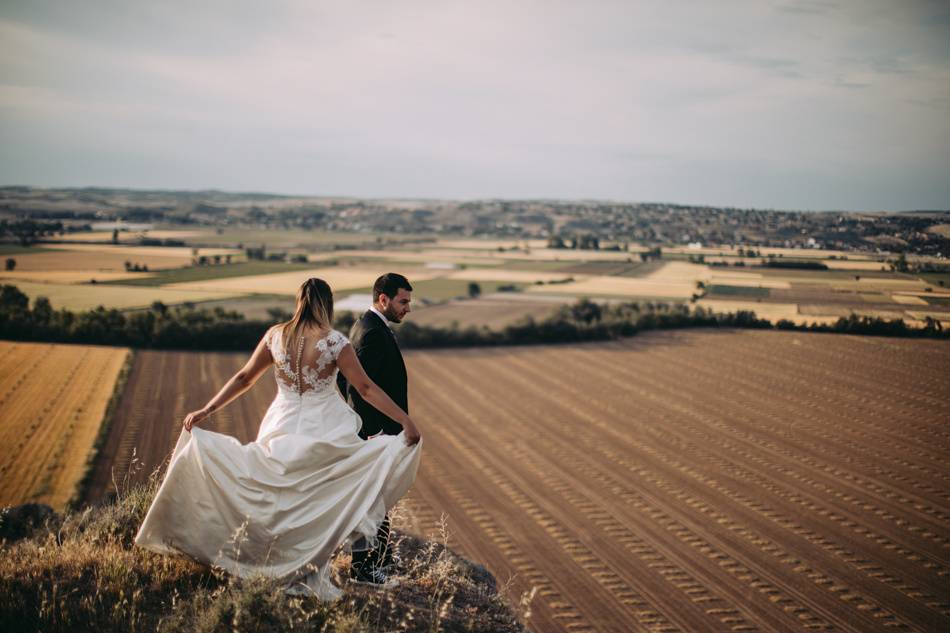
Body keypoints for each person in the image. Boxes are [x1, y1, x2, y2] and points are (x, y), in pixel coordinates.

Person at [134, 277, 423, 601]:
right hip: (324, 426)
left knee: (275, 491)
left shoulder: (276, 336)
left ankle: (268, 556)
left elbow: (244, 377)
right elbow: (365, 388)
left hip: (282, 422)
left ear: (298, 301)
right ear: (326, 305)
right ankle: (310, 561)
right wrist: (404, 419)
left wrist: (207, 409)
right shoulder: (334, 342)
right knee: (321, 495)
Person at [337, 272, 412, 584]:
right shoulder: (370, 333)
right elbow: (354, 387)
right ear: (384, 299)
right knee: (372, 497)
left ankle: (380, 559)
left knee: (378, 496)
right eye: (403, 301)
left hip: (379, 431)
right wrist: (372, 430)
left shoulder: (372, 327)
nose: (408, 308)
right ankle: (364, 567)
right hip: (375, 434)